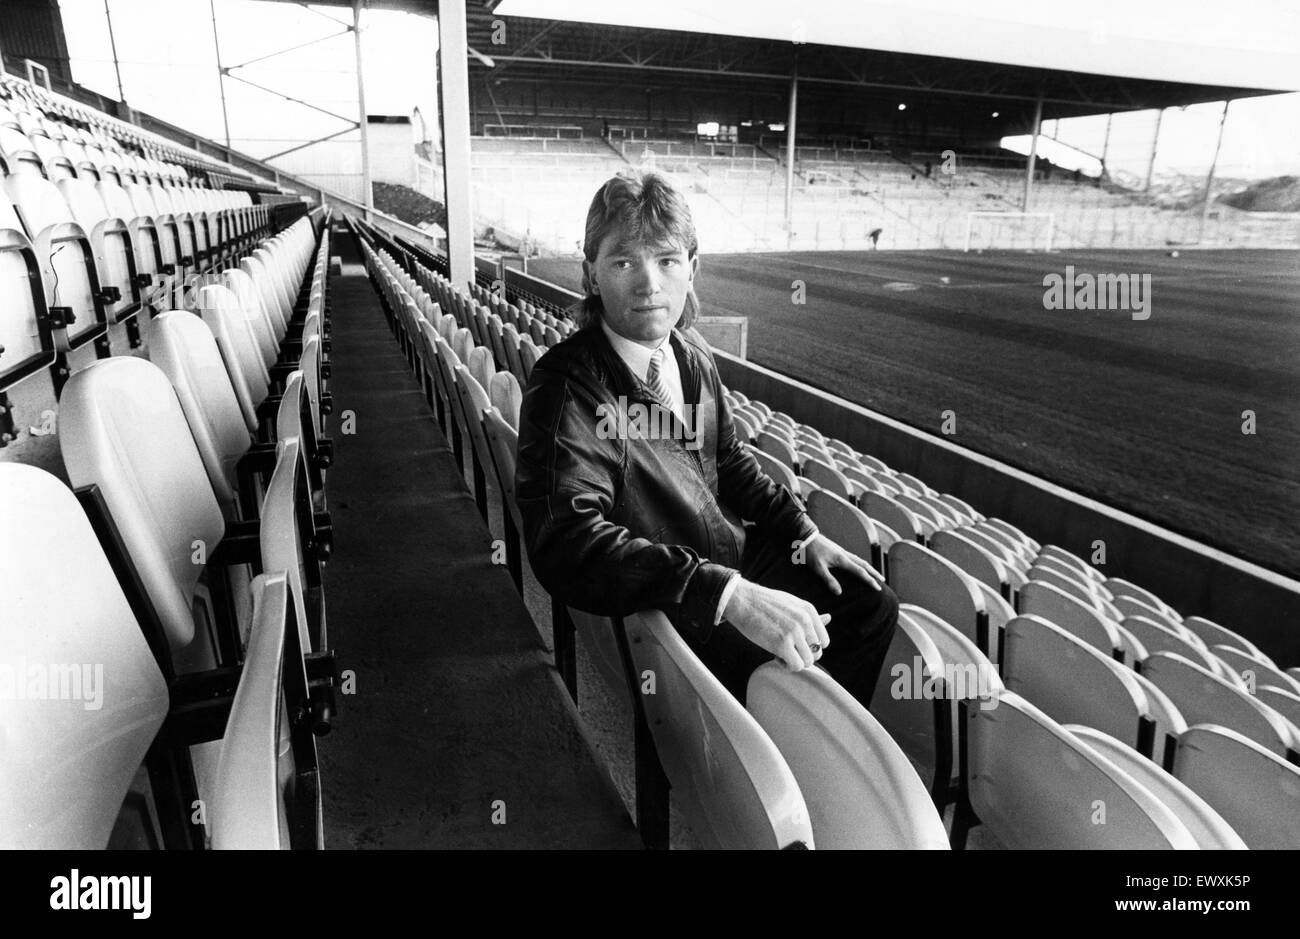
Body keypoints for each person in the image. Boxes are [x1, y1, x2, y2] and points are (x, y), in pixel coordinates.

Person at [514, 170, 898, 707]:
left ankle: (811, 745)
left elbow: (731, 459)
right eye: (625, 262)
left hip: (726, 556)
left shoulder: (691, 354)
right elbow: (566, 541)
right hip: (671, 597)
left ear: (691, 269)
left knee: (869, 602)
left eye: (667, 261)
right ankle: (767, 757)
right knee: (787, 668)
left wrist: (803, 533)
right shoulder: (565, 387)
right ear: (592, 276)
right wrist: (723, 593)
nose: (650, 284)